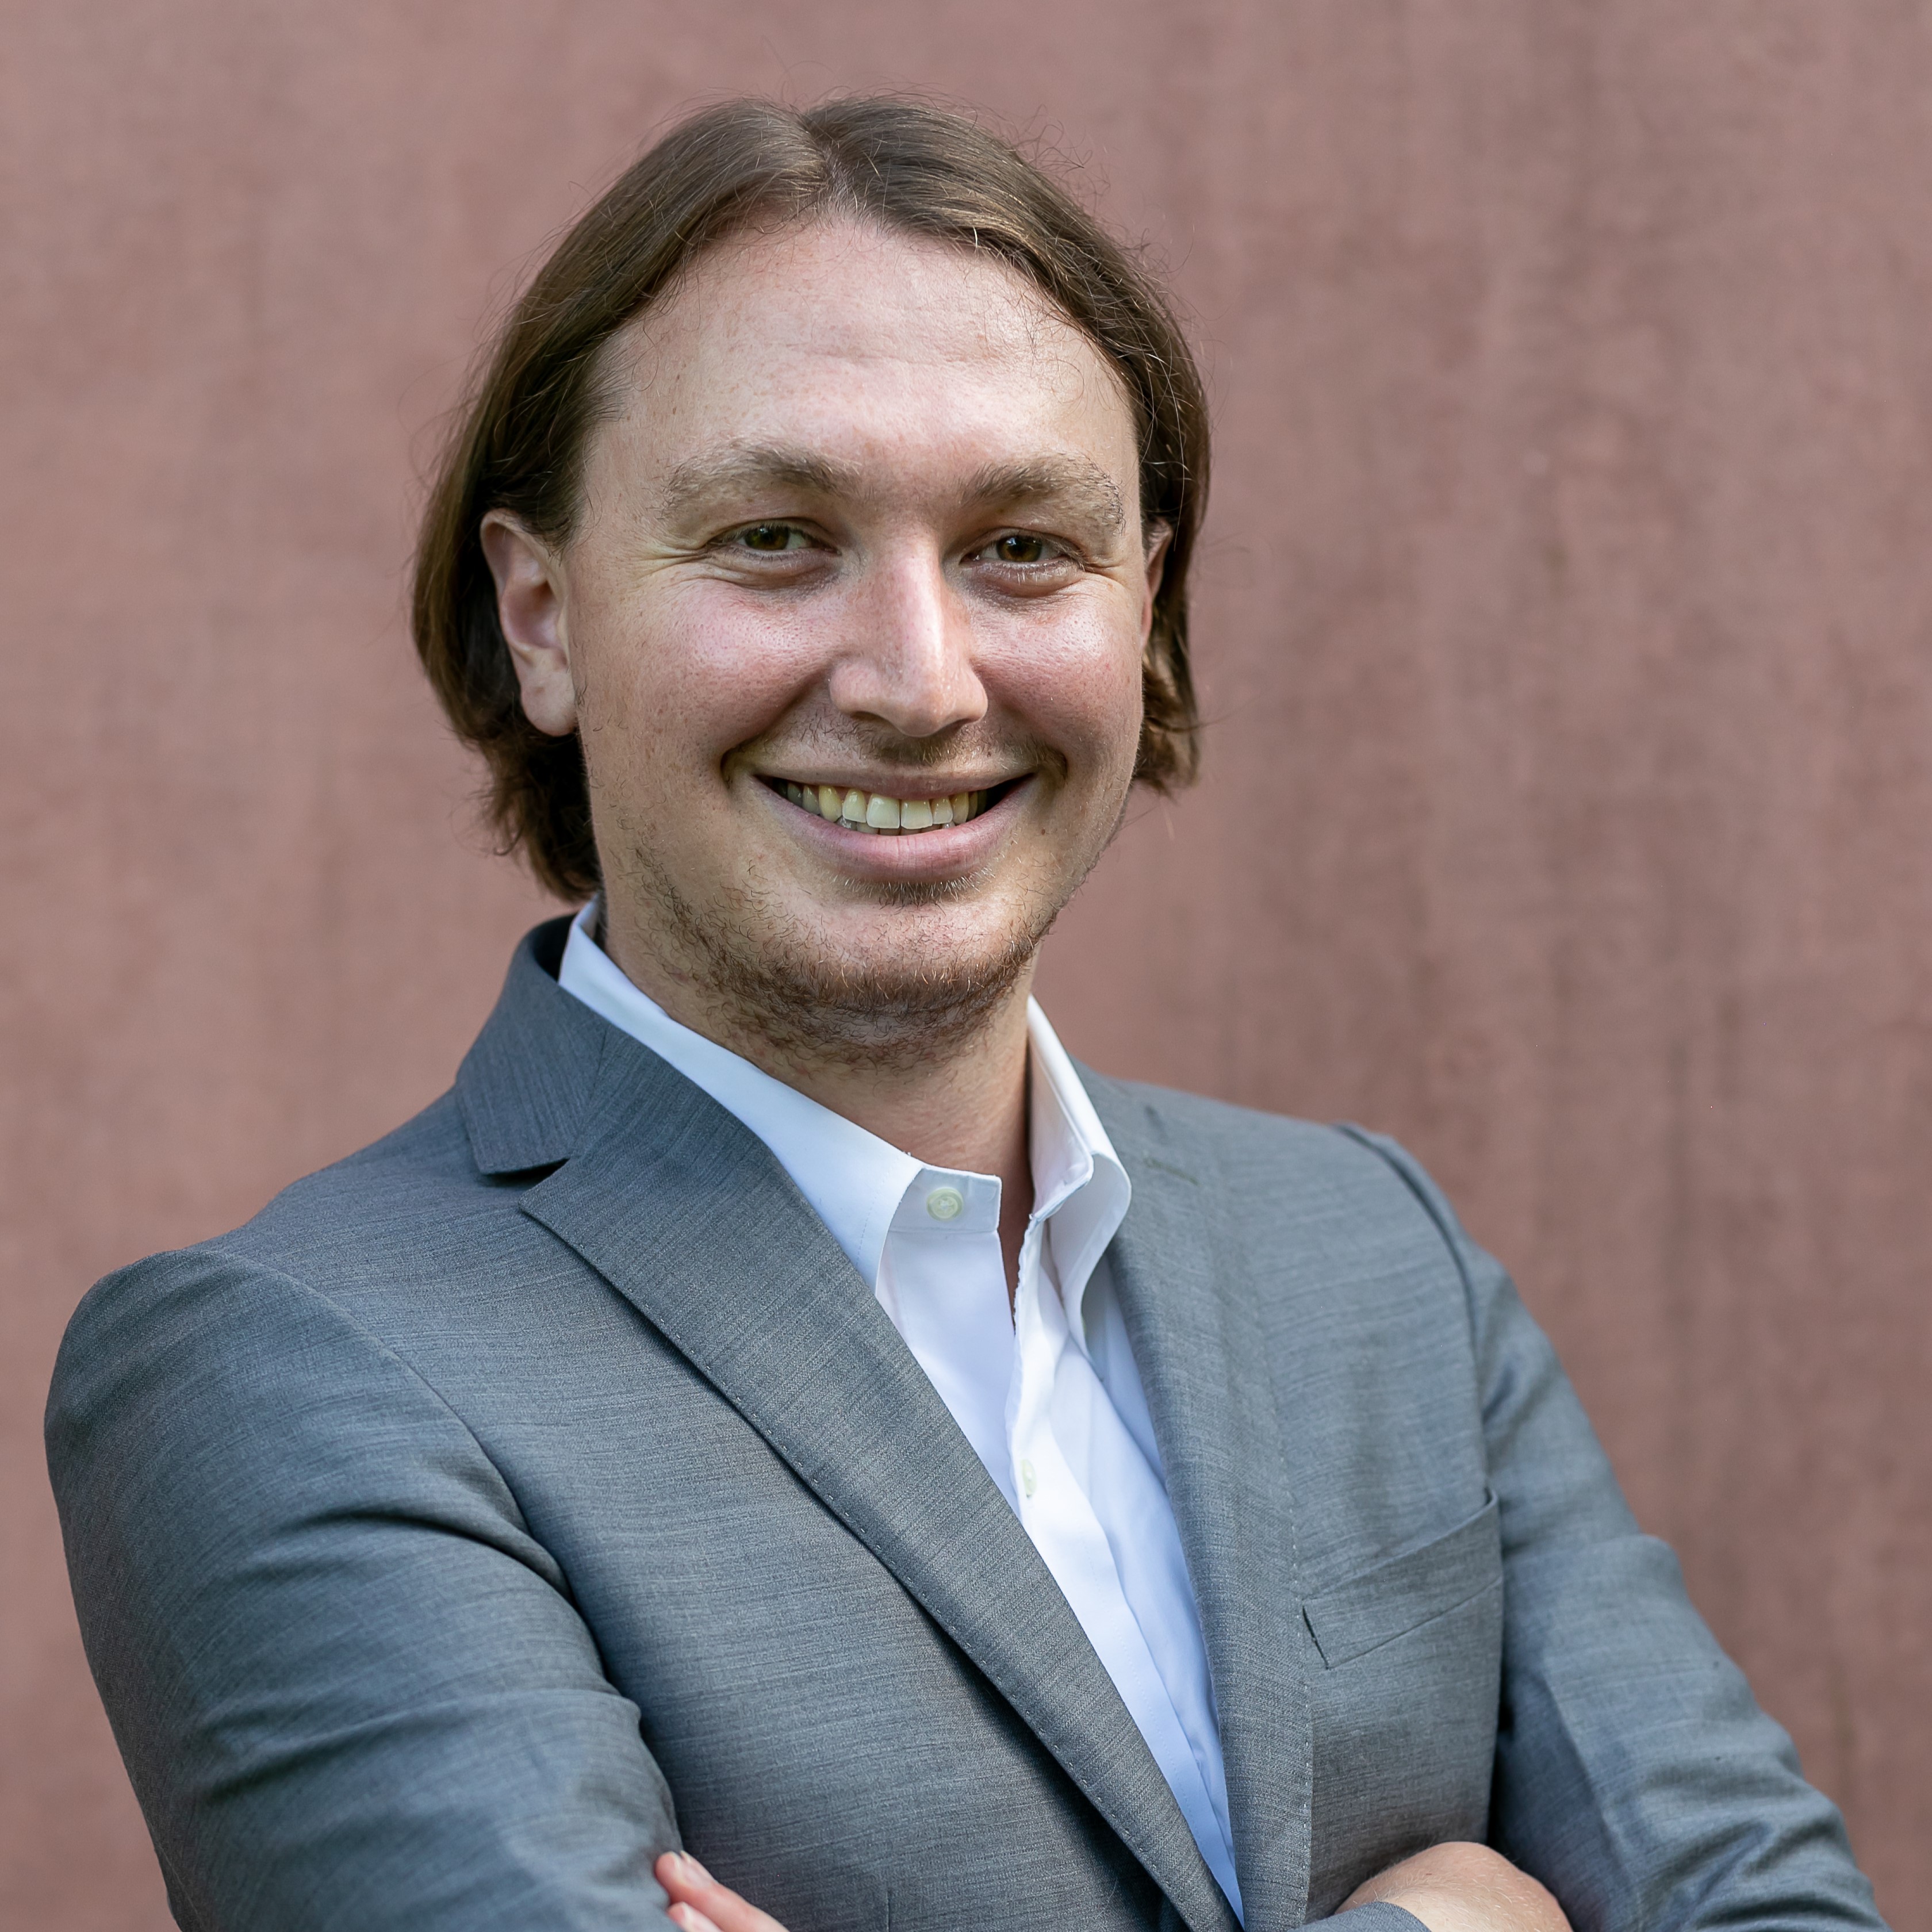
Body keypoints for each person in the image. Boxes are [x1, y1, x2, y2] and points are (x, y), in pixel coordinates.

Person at [46, 97, 1884, 1932]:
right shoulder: (293, 1371)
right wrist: (1454, 1922)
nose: (921, 683)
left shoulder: (1374, 1256)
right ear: (542, 619)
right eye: (774, 538)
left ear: (1146, 608)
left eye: (1023, 547)